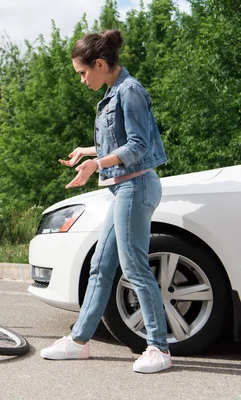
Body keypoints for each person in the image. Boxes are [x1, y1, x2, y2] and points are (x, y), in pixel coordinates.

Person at [39, 29, 171, 373]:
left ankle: (159, 348)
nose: (82, 80)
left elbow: (140, 146)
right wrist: (90, 151)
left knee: (134, 268)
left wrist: (96, 164)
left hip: (136, 186)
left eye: (83, 72)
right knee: (100, 266)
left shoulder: (130, 92)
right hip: (123, 188)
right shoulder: (114, 92)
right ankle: (79, 341)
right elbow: (121, 142)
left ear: (100, 63)